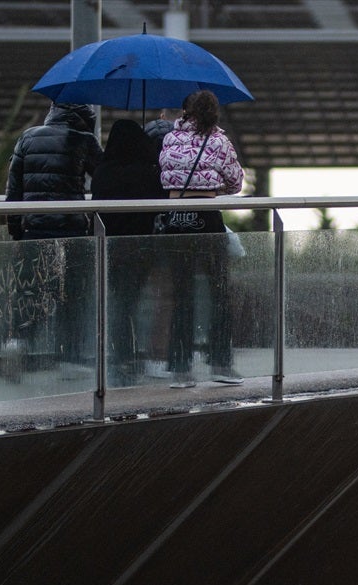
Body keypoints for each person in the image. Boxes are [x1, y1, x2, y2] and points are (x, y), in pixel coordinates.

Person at [5, 102, 103, 373]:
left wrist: (16, 230)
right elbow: (104, 178)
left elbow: (14, 189)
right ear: (85, 120)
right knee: (72, 294)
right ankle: (67, 357)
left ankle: (17, 345)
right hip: (71, 229)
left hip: (34, 228)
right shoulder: (84, 140)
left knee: (29, 290)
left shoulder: (28, 136)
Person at [155, 90, 244, 387]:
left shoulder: (169, 138)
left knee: (182, 295)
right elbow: (235, 183)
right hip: (207, 214)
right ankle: (220, 363)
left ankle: (180, 368)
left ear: (185, 112)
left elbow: (163, 176)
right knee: (219, 292)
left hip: (175, 216)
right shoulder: (219, 141)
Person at [90, 119, 167, 385]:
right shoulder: (148, 172)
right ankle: (134, 355)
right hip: (142, 248)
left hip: (109, 247)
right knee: (133, 302)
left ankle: (119, 355)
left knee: (119, 302)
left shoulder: (102, 172)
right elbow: (160, 204)